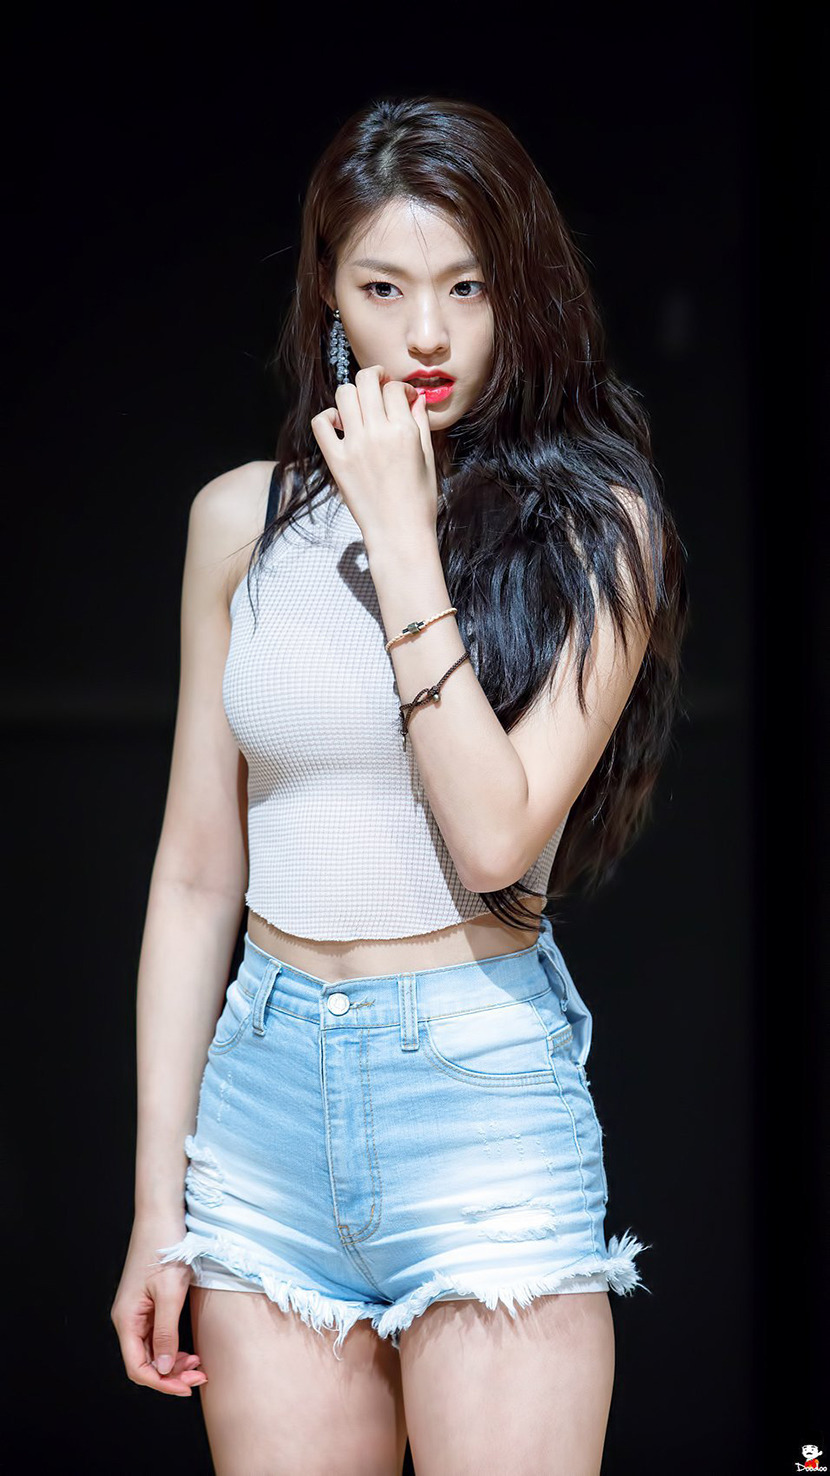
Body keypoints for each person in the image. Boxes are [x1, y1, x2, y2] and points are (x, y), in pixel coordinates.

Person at [110, 95, 688, 1476]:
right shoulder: (238, 521)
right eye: (384, 289)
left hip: (475, 1099)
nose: (426, 334)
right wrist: (156, 1207)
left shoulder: (599, 527)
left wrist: (404, 535)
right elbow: (195, 874)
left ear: (520, 293)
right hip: (260, 1114)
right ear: (331, 298)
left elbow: (495, 836)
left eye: (466, 288)